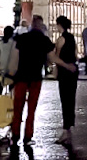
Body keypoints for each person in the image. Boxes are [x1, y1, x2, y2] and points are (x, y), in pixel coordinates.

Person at [9, 16, 56, 145]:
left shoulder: (22, 39)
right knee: (31, 108)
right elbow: (51, 59)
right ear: (41, 25)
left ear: (31, 25)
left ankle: (15, 134)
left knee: (18, 107)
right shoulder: (44, 40)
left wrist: (11, 75)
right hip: (35, 77)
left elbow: (14, 59)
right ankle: (28, 136)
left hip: (21, 77)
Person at [49, 16, 80, 143]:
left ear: (59, 25)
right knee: (71, 100)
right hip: (73, 71)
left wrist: (61, 66)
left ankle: (66, 131)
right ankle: (68, 128)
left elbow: (56, 57)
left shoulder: (60, 39)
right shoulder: (72, 38)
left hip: (65, 72)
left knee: (65, 100)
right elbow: (75, 54)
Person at [0, 25, 17, 101]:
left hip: (0, 70)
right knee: (11, 92)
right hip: (11, 70)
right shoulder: (14, 44)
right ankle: (10, 108)